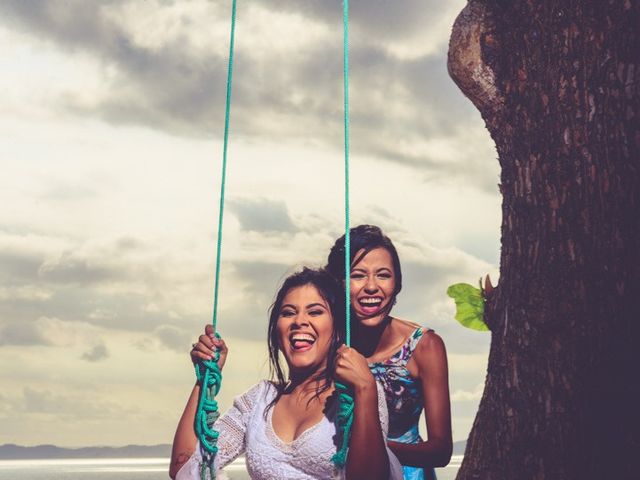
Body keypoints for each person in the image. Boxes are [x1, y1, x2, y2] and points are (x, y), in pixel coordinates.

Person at [169, 267, 404, 480]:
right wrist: (205, 377)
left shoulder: (355, 396)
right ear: (276, 331)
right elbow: (185, 469)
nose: (299, 321)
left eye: (315, 312)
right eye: (288, 313)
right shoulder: (259, 401)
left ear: (338, 330)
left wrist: (365, 389)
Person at [326, 225, 453, 480]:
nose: (371, 286)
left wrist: (368, 450)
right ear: (337, 284)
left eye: (383, 275)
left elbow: (441, 451)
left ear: (397, 284)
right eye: (358, 275)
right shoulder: (327, 343)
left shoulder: (424, 346)